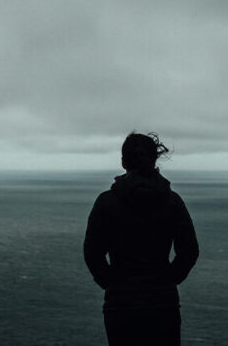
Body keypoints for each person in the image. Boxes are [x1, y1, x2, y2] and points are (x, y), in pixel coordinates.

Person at [84, 132, 199, 346]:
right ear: (153, 160)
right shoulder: (172, 201)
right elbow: (189, 251)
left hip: (120, 303)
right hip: (163, 302)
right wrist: (167, 280)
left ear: (123, 162)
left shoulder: (106, 202)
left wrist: (112, 283)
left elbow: (92, 253)